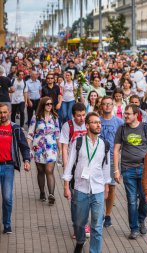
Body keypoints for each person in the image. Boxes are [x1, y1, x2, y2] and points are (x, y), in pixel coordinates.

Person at [63, 112, 111, 253]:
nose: (98, 125)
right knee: (79, 223)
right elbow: (70, 164)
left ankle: (94, 251)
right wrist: (66, 185)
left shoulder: (104, 145)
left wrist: (106, 186)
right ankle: (80, 240)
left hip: (98, 190)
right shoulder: (78, 142)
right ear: (87, 125)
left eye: (99, 123)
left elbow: (106, 167)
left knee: (97, 225)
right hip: (80, 189)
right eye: (95, 122)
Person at [114, 104, 147, 239]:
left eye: (128, 113)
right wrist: (116, 170)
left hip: (144, 169)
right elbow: (116, 150)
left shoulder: (145, 128)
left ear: (136, 115)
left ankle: (141, 219)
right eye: (125, 113)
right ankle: (134, 228)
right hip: (127, 169)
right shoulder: (122, 129)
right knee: (131, 200)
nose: (125, 116)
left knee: (144, 198)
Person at [0, 103, 31, 234]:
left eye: (4, 112)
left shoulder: (15, 128)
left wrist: (27, 160)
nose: (2, 115)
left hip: (8, 166)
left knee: (7, 198)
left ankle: (7, 224)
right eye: (0, 113)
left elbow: (24, 146)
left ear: (9, 112)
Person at [59, 102, 88, 238]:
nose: (82, 118)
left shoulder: (89, 124)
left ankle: (85, 224)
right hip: (74, 166)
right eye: (79, 116)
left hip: (87, 166)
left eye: (83, 115)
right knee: (75, 198)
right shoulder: (68, 126)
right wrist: (67, 168)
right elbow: (64, 148)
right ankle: (76, 225)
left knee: (87, 196)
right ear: (73, 115)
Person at [27, 97, 60, 205]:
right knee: (41, 171)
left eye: (51, 104)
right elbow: (30, 134)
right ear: (42, 105)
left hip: (51, 148)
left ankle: (51, 195)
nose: (50, 106)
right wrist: (27, 148)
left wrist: (61, 150)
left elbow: (57, 135)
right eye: (47, 104)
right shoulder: (36, 117)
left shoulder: (55, 117)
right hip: (38, 148)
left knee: (49, 171)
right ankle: (42, 192)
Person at [99, 96, 124, 228]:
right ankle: (99, 213)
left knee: (112, 186)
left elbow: (122, 141)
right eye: (105, 104)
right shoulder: (97, 120)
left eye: (109, 104)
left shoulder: (119, 122)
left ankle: (108, 215)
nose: (107, 106)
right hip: (99, 158)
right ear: (101, 106)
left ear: (113, 106)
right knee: (99, 186)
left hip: (113, 158)